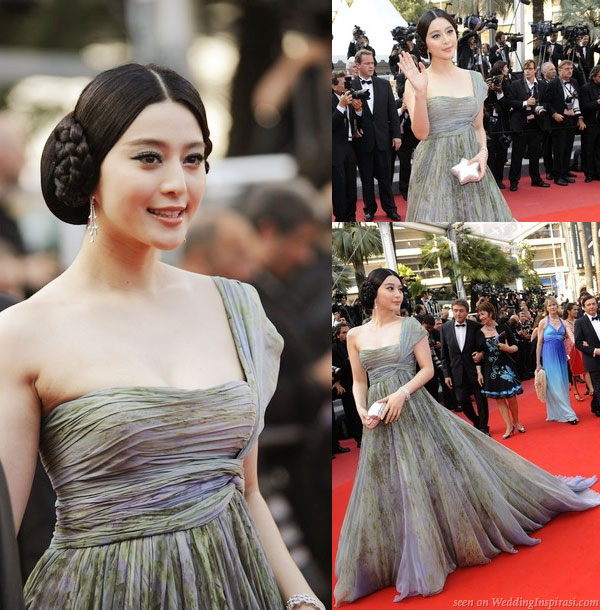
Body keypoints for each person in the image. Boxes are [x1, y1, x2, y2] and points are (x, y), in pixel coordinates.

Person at [0, 63, 323, 610]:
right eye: (149, 157)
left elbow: (246, 492)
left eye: (193, 159)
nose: (178, 182)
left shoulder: (235, 305)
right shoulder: (21, 333)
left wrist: (301, 598)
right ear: (91, 171)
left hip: (240, 589)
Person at [334, 268, 600, 605]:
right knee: (389, 483)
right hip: (378, 416)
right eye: (390, 289)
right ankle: (401, 550)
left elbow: (428, 370)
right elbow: (360, 380)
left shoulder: (411, 326)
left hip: (413, 408)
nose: (398, 294)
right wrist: (360, 409)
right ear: (373, 292)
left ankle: (441, 543)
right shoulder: (355, 334)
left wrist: (401, 394)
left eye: (400, 288)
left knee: (431, 471)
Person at [399, 9, 513, 221]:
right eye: (436, 35)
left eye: (449, 31)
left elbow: (478, 127)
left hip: (471, 163)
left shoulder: (474, 78)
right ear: (425, 43)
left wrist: (483, 153)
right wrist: (421, 92)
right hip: (434, 168)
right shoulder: (415, 81)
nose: (446, 40)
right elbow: (421, 134)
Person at [351, 49, 402, 222]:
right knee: (366, 179)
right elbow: (348, 115)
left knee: (386, 177)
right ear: (358, 65)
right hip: (363, 140)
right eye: (367, 63)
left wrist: (397, 135)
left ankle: (390, 209)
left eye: (372, 63)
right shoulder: (351, 87)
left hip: (383, 139)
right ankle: (369, 210)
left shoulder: (383, 84)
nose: (371, 66)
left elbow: (392, 113)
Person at [440, 298, 489, 434]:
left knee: (481, 400)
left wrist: (481, 354)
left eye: (461, 311)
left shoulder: (476, 327)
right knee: (462, 400)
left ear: (467, 312)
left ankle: (484, 427)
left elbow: (483, 348)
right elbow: (444, 354)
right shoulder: (445, 328)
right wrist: (446, 374)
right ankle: (477, 421)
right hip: (456, 372)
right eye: (455, 311)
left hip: (475, 370)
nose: (458, 314)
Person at [475, 302, 524, 439]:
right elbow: (479, 354)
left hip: (506, 366)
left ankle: (516, 421)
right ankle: (508, 426)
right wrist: (479, 372)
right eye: (479, 315)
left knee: (511, 397)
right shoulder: (479, 332)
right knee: (499, 399)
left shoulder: (503, 328)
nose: (481, 317)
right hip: (490, 369)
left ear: (490, 313)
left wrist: (507, 348)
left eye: (483, 314)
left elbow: (515, 347)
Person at [507, 59, 551, 191]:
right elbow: (510, 102)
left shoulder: (542, 85)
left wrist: (540, 107)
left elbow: (546, 102)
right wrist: (525, 103)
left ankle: (536, 179)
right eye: (525, 69)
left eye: (530, 68)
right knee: (517, 155)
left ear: (535, 70)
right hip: (520, 124)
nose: (527, 71)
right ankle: (514, 181)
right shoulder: (515, 85)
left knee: (535, 154)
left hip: (536, 124)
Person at [536, 297, 579, 424]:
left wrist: (582, 345)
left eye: (554, 305)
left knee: (562, 384)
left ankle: (557, 413)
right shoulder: (543, 322)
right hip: (548, 355)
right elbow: (539, 343)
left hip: (561, 355)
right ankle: (569, 414)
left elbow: (572, 337)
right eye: (550, 305)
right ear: (546, 308)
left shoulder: (563, 322)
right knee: (554, 384)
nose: (553, 307)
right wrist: (538, 363)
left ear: (557, 306)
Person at [546, 60, 586, 186]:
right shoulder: (553, 84)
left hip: (571, 120)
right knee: (559, 149)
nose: (570, 71)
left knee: (568, 147)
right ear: (560, 70)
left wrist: (579, 117)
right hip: (558, 120)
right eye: (567, 68)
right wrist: (554, 114)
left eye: (571, 69)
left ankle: (564, 172)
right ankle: (557, 176)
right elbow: (547, 103)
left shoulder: (574, 82)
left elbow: (576, 101)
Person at [332, 71, 360, 221]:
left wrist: (358, 110)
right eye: (343, 84)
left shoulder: (348, 99)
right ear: (333, 85)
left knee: (351, 187)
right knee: (339, 188)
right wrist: (340, 106)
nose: (347, 87)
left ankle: (352, 217)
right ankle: (341, 218)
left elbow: (353, 121)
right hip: (335, 150)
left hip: (350, 147)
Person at [332, 323, 362, 448]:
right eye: (343, 332)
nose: (347, 334)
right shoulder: (334, 349)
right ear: (338, 335)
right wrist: (336, 383)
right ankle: (359, 437)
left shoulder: (355, 344)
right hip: (346, 384)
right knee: (352, 412)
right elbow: (335, 369)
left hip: (359, 380)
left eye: (348, 331)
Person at [575, 294, 600, 418]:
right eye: (588, 305)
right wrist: (594, 350)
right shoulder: (580, 322)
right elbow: (578, 343)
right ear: (583, 308)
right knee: (599, 386)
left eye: (593, 303)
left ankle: (596, 405)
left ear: (597, 304)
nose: (592, 306)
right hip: (593, 359)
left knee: (597, 388)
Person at [563, 302, 586, 402]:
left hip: (580, 346)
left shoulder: (578, 321)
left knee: (585, 367)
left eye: (577, 309)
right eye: (574, 310)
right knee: (573, 370)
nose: (577, 311)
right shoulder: (564, 322)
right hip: (569, 347)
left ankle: (591, 388)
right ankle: (575, 390)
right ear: (568, 311)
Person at [580, 66, 600, 182]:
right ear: (593, 76)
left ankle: (598, 172)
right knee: (588, 149)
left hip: (599, 123)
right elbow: (584, 106)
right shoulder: (585, 88)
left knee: (598, 149)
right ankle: (588, 174)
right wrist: (597, 102)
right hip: (589, 123)